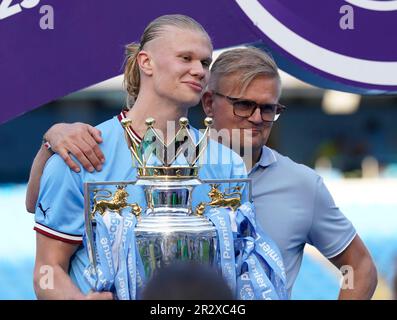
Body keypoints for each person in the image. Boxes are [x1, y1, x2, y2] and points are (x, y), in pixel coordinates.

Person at [27, 49, 378, 299]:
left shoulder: (302, 184)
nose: (257, 118)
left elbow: (359, 267)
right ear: (208, 103)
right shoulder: (159, 166)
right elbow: (36, 205)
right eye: (244, 104)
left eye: (269, 109)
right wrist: (52, 138)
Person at [30, 14, 248, 300]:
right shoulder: (81, 150)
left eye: (205, 63)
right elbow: (47, 269)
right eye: (186, 58)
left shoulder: (228, 162)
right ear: (146, 62)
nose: (199, 71)